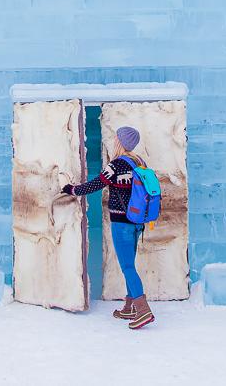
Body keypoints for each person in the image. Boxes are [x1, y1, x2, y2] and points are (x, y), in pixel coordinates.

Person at [62, 125, 155, 330]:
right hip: (138, 223)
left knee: (127, 267)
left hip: (121, 222)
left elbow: (95, 185)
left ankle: (143, 309)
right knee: (130, 263)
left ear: (121, 142)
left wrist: (72, 189)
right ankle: (130, 306)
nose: (114, 140)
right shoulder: (140, 162)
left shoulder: (117, 165)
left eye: (116, 138)